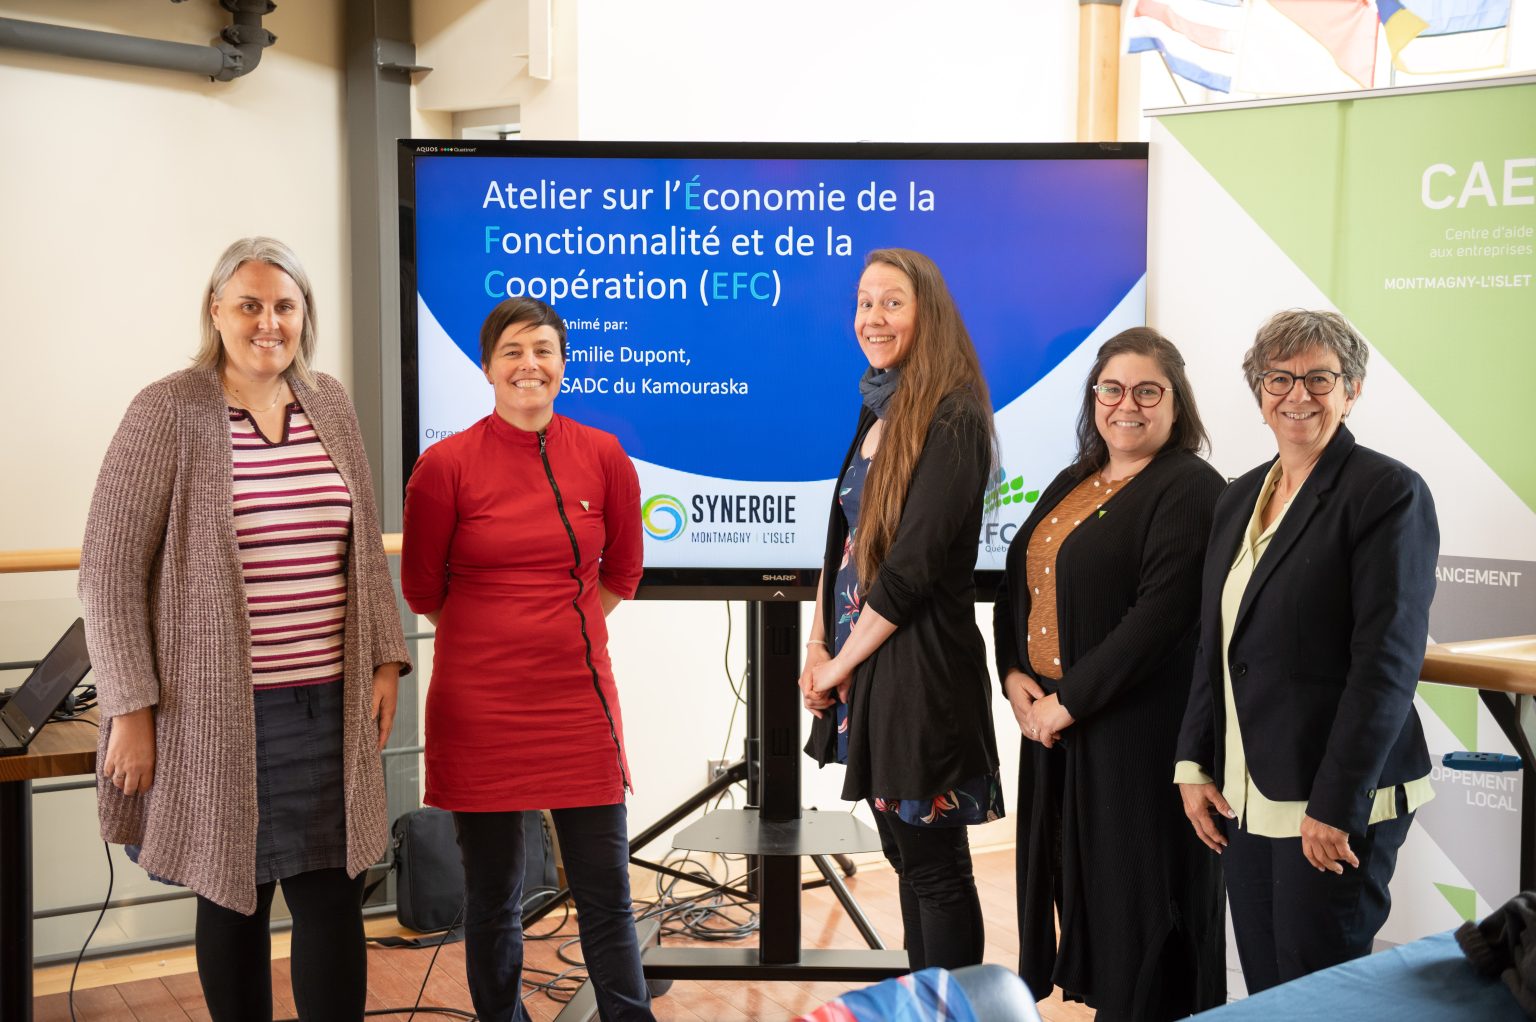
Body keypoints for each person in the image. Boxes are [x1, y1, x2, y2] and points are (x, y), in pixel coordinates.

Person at [79, 236, 411, 1021]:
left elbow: (363, 548)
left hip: (328, 706)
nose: (269, 322)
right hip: (217, 713)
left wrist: (384, 660)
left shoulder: (329, 402)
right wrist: (130, 710)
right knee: (235, 895)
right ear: (217, 311)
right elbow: (107, 570)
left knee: (334, 893)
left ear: (304, 315)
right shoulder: (169, 409)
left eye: (285, 306)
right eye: (250, 305)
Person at [400, 296, 651, 1022]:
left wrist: (558, 629)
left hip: (578, 703)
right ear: (486, 367)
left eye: (543, 349)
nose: (528, 364)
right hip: (479, 708)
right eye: (511, 350)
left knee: (607, 893)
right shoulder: (444, 466)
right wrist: (494, 637)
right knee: (493, 895)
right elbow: (422, 590)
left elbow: (622, 571)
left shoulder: (604, 456)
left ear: (564, 364)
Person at [1175, 309, 1439, 992]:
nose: (1298, 395)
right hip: (1246, 792)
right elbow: (1216, 641)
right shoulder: (1238, 497)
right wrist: (1193, 761)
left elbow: (1386, 663)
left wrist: (1335, 804)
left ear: (1352, 390)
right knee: (1270, 991)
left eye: (1319, 378)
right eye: (1280, 379)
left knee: (1320, 991)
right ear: (1259, 392)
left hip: (1331, 796)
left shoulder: (1387, 493)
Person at [993, 328, 1227, 1019]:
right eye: (1112, 389)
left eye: (1148, 391)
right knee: (1083, 892)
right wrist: (1013, 674)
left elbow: (1159, 619)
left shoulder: (1190, 487)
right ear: (1094, 398)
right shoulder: (1078, 478)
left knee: (1140, 906)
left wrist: (1066, 702)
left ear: (1176, 404)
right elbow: (1017, 583)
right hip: (1055, 728)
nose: (1128, 405)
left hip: (1136, 735)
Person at [799, 248, 1002, 972]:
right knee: (905, 858)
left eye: (892, 302)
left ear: (928, 313)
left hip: (920, 674)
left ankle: (953, 1011)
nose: (872, 318)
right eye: (864, 302)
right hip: (867, 667)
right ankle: (925, 1003)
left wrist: (840, 665)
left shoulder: (954, 416)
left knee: (935, 868)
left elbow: (911, 568)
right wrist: (818, 645)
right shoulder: (880, 403)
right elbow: (843, 539)